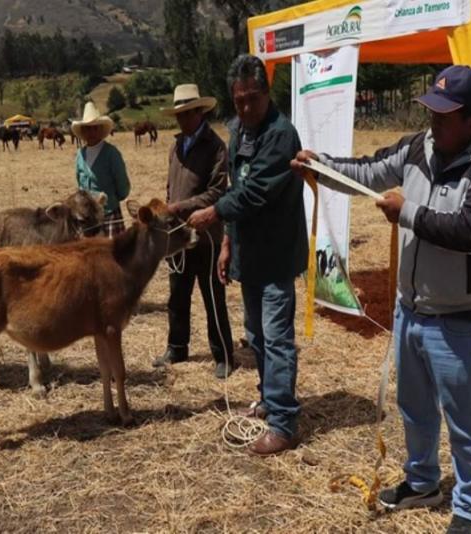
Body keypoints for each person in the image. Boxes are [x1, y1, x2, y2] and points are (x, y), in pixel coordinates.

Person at [292, 65, 471, 533]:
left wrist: (406, 212)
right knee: (413, 409)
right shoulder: (420, 146)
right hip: (409, 312)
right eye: (430, 111)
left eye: (444, 115)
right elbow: (369, 171)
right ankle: (422, 482)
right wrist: (321, 166)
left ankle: (470, 507)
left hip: (456, 321)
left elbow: (468, 231)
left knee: (465, 421)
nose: (433, 122)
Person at [188, 54, 308, 456]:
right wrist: (227, 243)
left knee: (276, 338)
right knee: (256, 334)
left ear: (266, 93)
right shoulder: (239, 131)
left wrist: (214, 213)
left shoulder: (280, 135)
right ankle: (269, 399)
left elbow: (254, 193)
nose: (244, 108)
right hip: (249, 254)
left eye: (252, 99)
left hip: (276, 254)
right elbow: (235, 185)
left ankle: (284, 423)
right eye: (238, 100)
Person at [151, 84, 236, 379]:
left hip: (207, 235)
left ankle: (223, 355)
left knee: (213, 296)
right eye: (179, 114)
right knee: (177, 293)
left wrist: (178, 207)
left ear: (200, 112)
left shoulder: (216, 147)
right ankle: (177, 347)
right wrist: (170, 211)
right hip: (177, 235)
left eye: (187, 113)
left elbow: (217, 192)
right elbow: (171, 187)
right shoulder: (176, 147)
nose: (182, 119)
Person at [72, 102, 130, 237]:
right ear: (83, 131)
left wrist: (113, 199)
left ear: (100, 129)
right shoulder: (80, 155)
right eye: (87, 128)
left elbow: (122, 185)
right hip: (88, 218)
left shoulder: (111, 153)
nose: (91, 132)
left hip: (109, 215)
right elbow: (80, 184)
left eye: (95, 128)